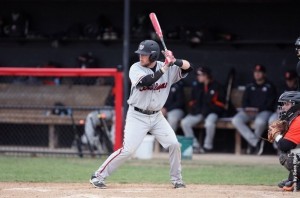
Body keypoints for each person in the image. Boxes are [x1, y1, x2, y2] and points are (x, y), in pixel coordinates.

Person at [89, 39, 193, 189]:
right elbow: (146, 82)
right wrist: (164, 67)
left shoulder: (168, 68)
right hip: (137, 115)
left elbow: (189, 68)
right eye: (140, 54)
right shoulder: (135, 68)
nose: (141, 57)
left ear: (153, 56)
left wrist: (175, 61)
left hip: (157, 117)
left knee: (174, 144)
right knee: (128, 150)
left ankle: (177, 180)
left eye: (144, 54)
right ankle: (97, 176)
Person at [231, 64, 277, 155]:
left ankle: (252, 146)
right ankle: (256, 142)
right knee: (236, 120)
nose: (257, 74)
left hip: (264, 111)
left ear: (264, 74)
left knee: (259, 122)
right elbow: (244, 102)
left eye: (259, 72)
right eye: (255, 72)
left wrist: (258, 109)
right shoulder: (250, 86)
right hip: (250, 112)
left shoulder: (270, 86)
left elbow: (270, 104)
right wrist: (247, 108)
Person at [180, 67, 225, 153]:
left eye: (200, 75)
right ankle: (195, 146)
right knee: (185, 122)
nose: (198, 77)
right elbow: (192, 102)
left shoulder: (216, 86)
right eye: (198, 75)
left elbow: (221, 104)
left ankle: (207, 147)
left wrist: (208, 109)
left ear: (207, 76)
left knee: (209, 123)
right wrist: (195, 110)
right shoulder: (197, 86)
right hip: (200, 112)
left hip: (212, 112)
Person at [271, 91, 300, 191]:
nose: (283, 107)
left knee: (287, 156)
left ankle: (297, 181)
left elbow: (285, 146)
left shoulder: (298, 120)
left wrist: (276, 135)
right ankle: (294, 179)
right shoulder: (296, 118)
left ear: (295, 105)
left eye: (287, 104)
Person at [81, 87, 115, 152]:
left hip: (119, 110)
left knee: (116, 118)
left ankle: (113, 143)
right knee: (91, 116)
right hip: (107, 110)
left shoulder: (130, 85)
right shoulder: (114, 85)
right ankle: (87, 142)